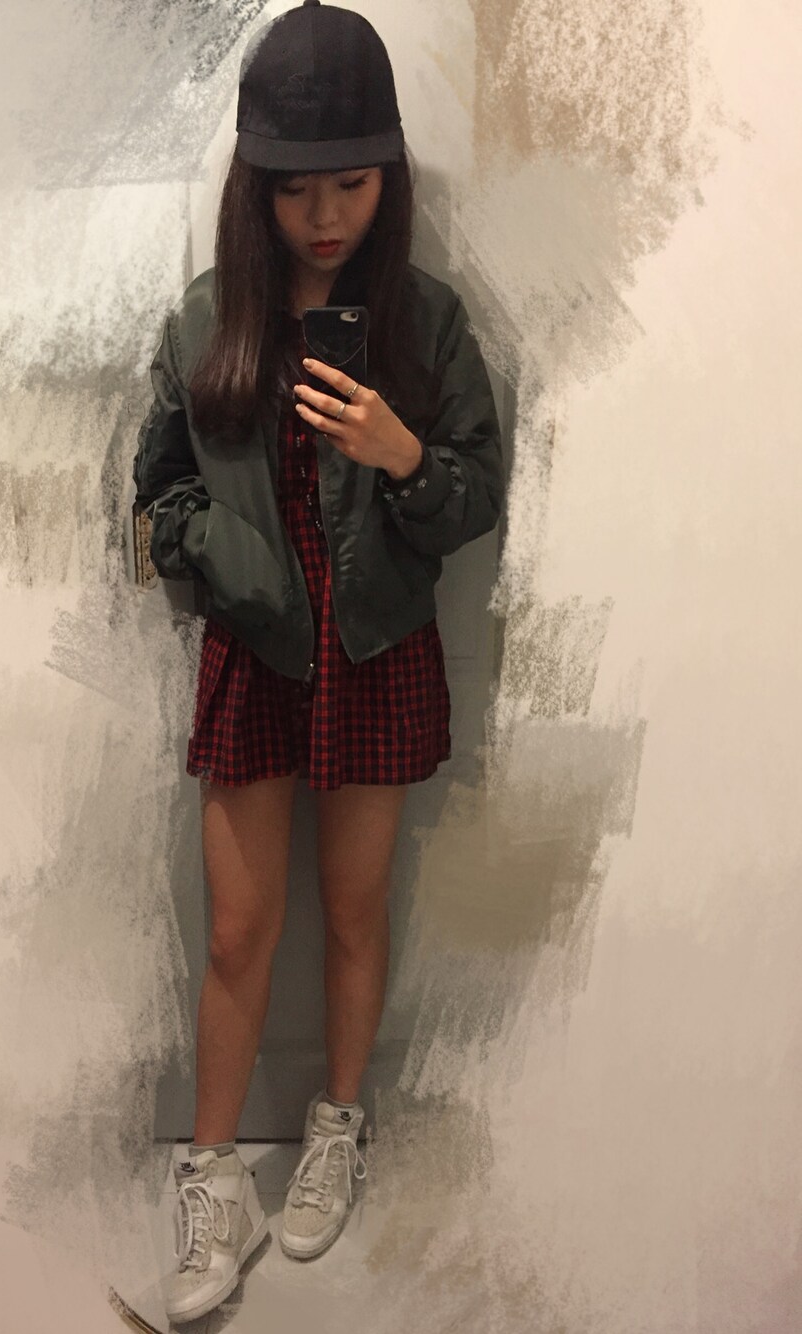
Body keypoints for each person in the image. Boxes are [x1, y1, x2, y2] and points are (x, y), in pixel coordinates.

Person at [132, 0, 503, 1323]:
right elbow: (155, 494)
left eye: (353, 182)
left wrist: (403, 457)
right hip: (257, 649)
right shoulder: (205, 321)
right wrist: (216, 557)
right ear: (258, 189)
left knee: (353, 912)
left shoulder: (426, 322)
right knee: (240, 931)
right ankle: (213, 1174)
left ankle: (337, 1125)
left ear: (388, 177)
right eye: (297, 189)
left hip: (378, 647)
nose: (327, 214)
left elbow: (475, 498)